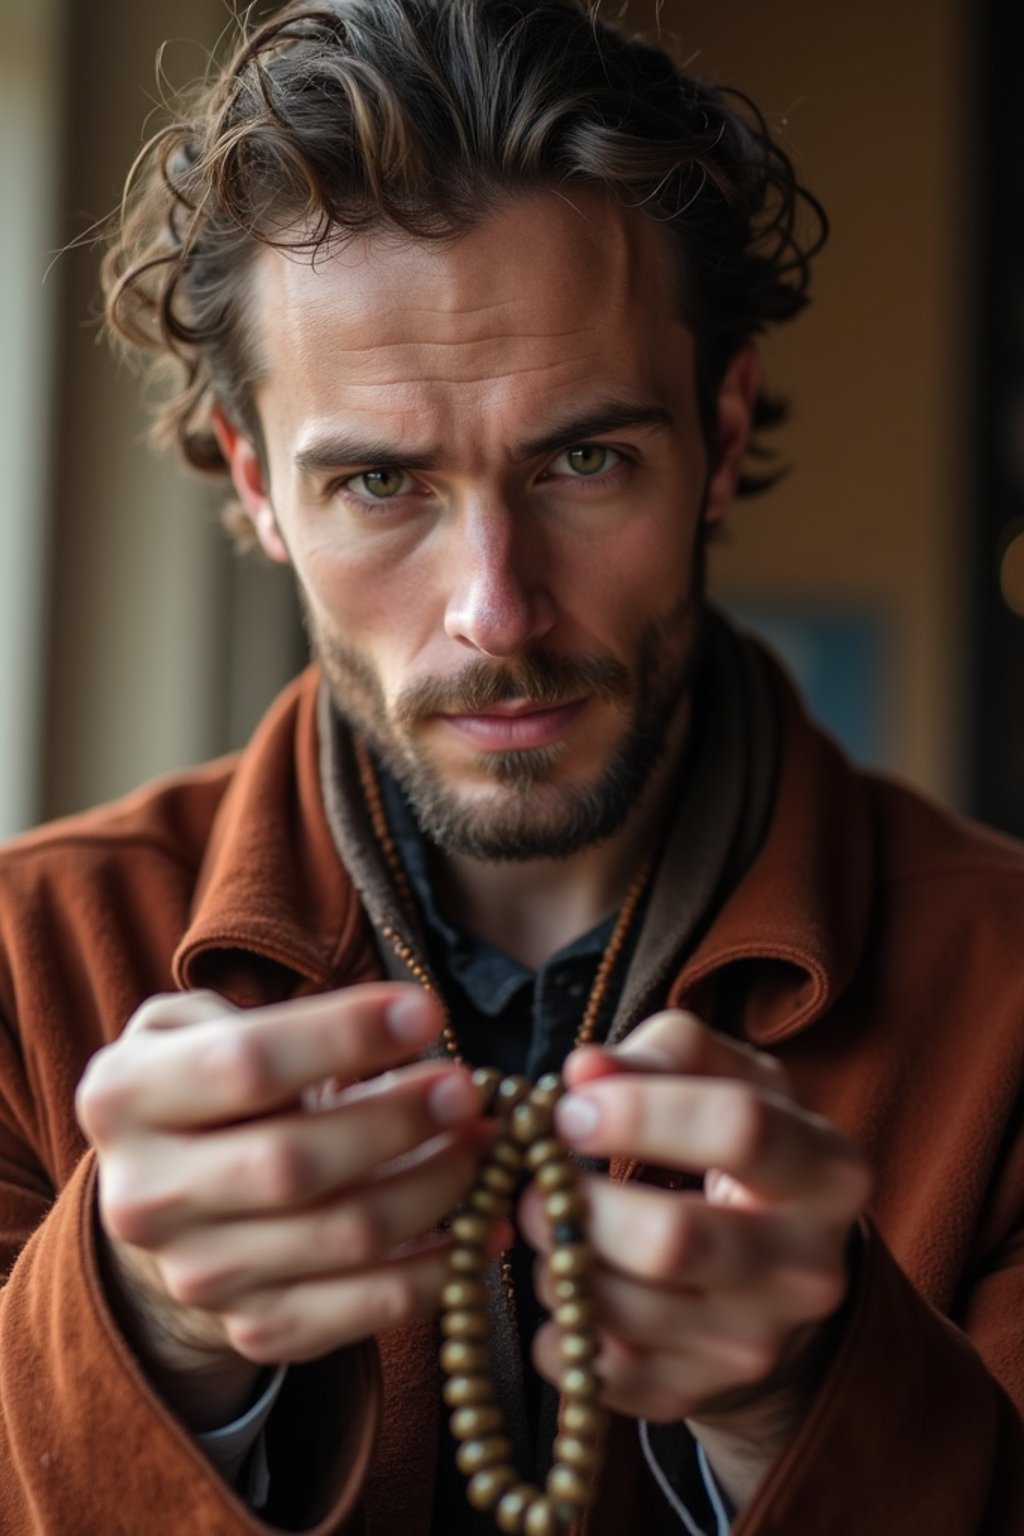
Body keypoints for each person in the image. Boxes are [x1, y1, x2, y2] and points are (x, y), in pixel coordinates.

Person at [1, 1, 1022, 1531]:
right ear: (255, 479)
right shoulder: (20, 970)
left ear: (722, 431)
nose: (498, 609)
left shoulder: (1012, 993)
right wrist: (140, 1326)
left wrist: (821, 1408)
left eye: (583, 460)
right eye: (381, 483)